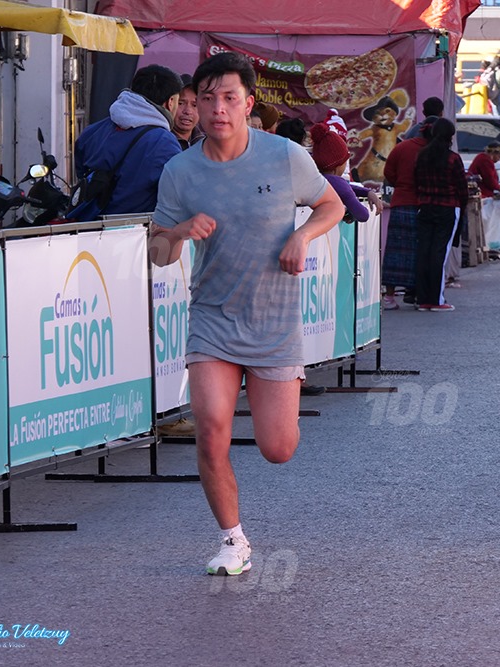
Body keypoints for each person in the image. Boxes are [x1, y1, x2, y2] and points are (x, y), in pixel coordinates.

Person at [147, 52, 344, 576]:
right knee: (211, 428)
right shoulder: (179, 171)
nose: (218, 109)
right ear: (194, 103)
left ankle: (282, 405)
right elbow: (157, 252)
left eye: (229, 98)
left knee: (278, 448)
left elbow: (333, 205)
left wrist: (302, 235)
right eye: (206, 98)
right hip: (212, 319)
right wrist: (178, 232)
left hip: (274, 323)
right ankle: (232, 541)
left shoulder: (284, 156)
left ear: (249, 103)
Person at [68, 65, 182, 221]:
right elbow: (176, 195)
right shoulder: (164, 142)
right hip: (135, 230)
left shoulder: (93, 131)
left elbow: (81, 172)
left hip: (87, 225)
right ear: (170, 102)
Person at [414, 118, 468, 312]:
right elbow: (462, 188)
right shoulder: (453, 158)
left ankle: (423, 299)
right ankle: (436, 300)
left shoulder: (422, 156)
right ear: (450, 136)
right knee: (440, 252)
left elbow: (416, 181)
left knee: (424, 252)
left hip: (425, 206)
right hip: (448, 208)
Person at [381, 118, 428, 310]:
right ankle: (417, 294)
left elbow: (388, 173)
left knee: (395, 252)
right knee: (421, 252)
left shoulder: (400, 148)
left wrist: (401, 184)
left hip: (400, 202)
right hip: (423, 204)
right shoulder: (431, 150)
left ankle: (389, 298)